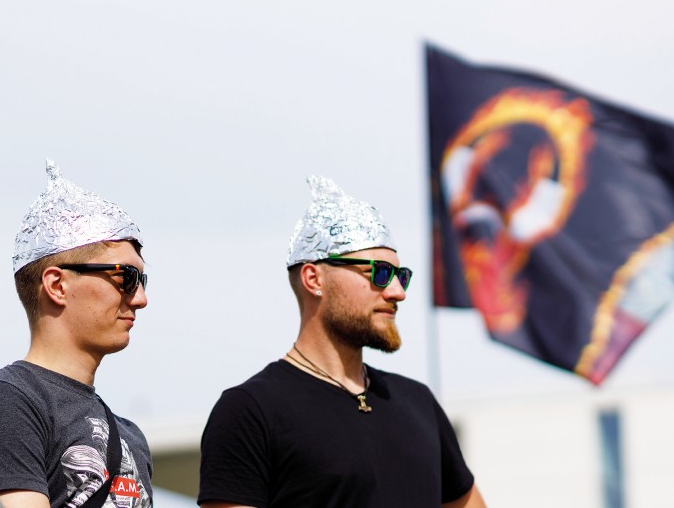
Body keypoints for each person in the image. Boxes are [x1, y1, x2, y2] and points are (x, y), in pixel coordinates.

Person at [198, 176, 486, 508]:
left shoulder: (417, 401)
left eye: (400, 275)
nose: (397, 292)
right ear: (314, 278)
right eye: (379, 273)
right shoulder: (251, 411)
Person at [0, 160, 153, 508]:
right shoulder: (8, 403)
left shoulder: (132, 435)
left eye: (143, 281)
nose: (141, 299)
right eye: (126, 277)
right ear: (57, 285)